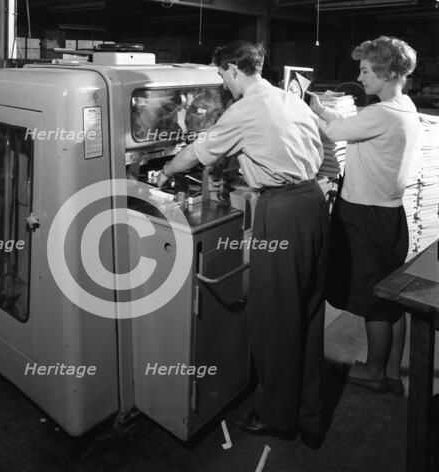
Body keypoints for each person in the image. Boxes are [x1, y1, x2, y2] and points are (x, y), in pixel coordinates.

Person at [157, 41, 329, 448]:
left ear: (233, 69)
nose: (221, 82)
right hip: (313, 205)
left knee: (274, 320)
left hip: (282, 212)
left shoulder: (246, 108)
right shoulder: (289, 100)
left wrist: (165, 171)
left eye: (220, 74)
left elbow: (195, 154)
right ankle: (310, 415)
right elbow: (309, 150)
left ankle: (277, 416)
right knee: (307, 313)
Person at [309, 36, 420, 396]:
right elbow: (349, 123)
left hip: (364, 215)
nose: (361, 76)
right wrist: (324, 110)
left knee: (371, 299)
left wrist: (309, 111)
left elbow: (335, 132)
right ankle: (390, 371)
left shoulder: (381, 113)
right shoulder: (403, 107)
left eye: (367, 70)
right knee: (389, 299)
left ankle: (373, 371)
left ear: (387, 74)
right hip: (389, 215)